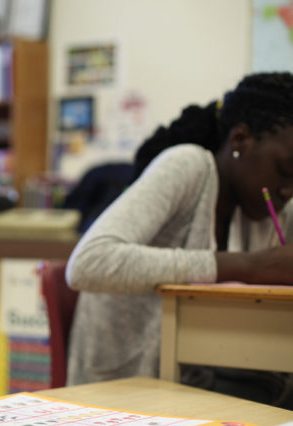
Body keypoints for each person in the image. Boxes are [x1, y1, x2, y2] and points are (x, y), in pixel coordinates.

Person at [65, 72, 293, 407]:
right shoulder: (187, 167)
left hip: (206, 381)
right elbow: (87, 263)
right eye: (285, 170)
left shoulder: (275, 205)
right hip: (128, 388)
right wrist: (248, 266)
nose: (289, 189)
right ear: (241, 140)